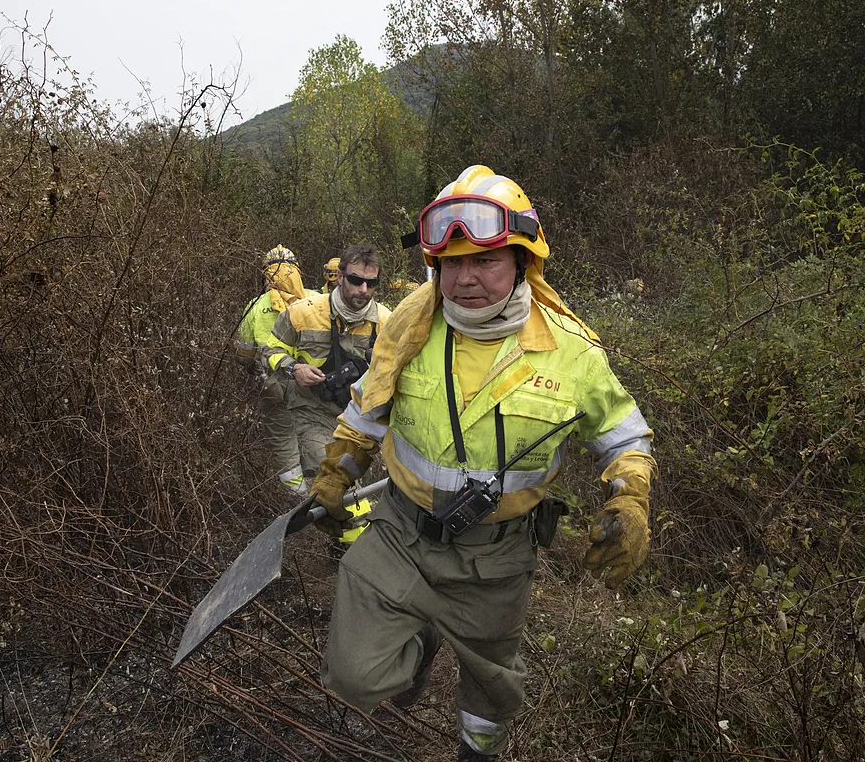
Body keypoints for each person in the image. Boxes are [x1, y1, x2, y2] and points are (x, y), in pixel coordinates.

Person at [307, 166, 656, 760]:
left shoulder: (572, 352)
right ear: (434, 266)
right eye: (451, 264)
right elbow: (366, 413)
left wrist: (630, 497)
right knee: (354, 677)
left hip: (497, 557)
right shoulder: (409, 333)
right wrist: (337, 469)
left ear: (522, 261)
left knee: (491, 696)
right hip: (399, 532)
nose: (465, 279)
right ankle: (419, 636)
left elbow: (624, 436)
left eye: (485, 260)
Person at [264, 244, 392, 492]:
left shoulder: (387, 322)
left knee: (368, 485)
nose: (364, 290)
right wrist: (294, 370)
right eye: (356, 281)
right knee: (332, 476)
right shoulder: (303, 313)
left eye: (371, 283)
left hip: (361, 418)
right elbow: (270, 350)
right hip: (314, 413)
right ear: (341, 277)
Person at [234, 245, 309, 493]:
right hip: (308, 381)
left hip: (272, 383)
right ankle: (324, 491)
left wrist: (250, 368)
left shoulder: (255, 306)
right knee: (314, 433)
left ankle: (298, 499)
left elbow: (244, 353)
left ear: (266, 275)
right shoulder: (313, 299)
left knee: (284, 441)